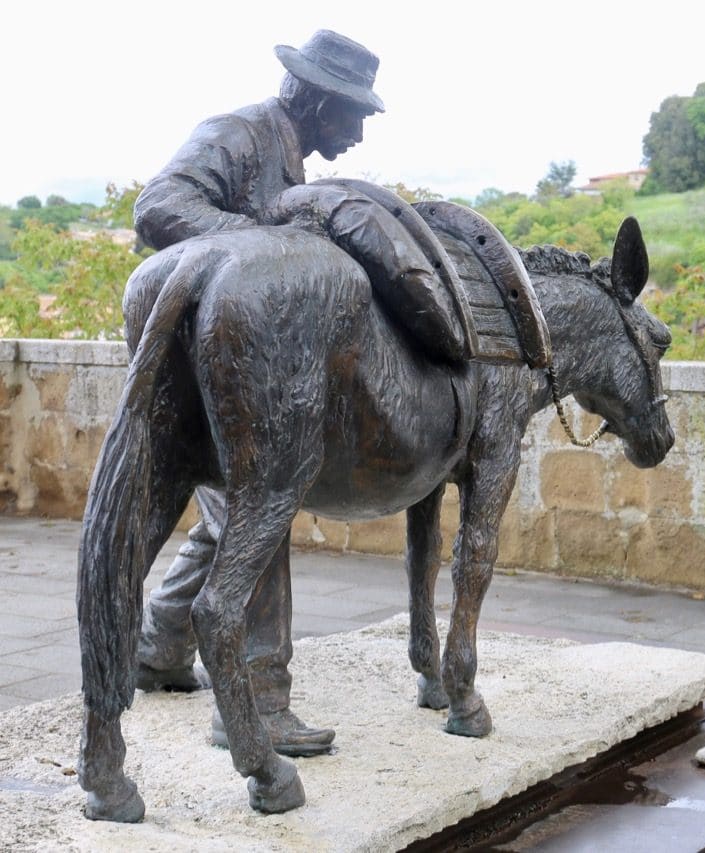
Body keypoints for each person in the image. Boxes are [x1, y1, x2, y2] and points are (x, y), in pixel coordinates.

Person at [131, 29, 463, 756]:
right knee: (264, 514)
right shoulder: (237, 133)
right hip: (202, 350)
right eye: (353, 113)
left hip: (224, 351)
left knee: (229, 515)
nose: (358, 130)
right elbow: (159, 207)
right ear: (314, 98)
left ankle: (157, 646)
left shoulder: (291, 155)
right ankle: (256, 701)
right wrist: (263, 253)